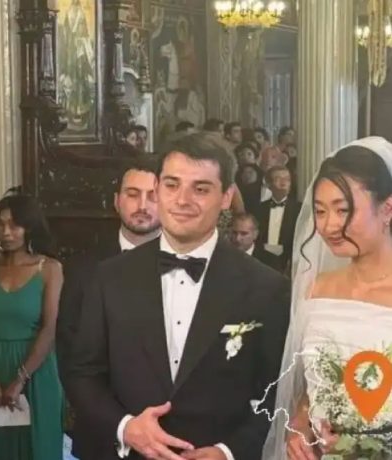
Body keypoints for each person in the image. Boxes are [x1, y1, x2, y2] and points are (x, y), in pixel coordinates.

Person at [63, 132, 290, 460]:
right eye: (172, 185)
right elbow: (83, 374)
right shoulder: (108, 277)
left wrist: (229, 451)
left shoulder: (267, 287)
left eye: (201, 189)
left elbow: (278, 390)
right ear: (158, 189)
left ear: (226, 197)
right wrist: (125, 427)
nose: (183, 200)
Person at [261, 137, 392, 459]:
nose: (329, 225)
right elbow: (312, 381)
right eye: (320, 211)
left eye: (343, 210)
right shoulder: (317, 288)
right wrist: (301, 422)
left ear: (387, 209)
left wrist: (364, 447)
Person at [58, 156, 161, 459]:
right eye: (132, 194)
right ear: (116, 201)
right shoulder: (84, 269)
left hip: (175, 433)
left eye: (153, 195)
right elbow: (70, 354)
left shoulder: (192, 266)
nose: (142, 205)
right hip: (103, 435)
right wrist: (121, 424)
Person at [0, 194, 64, 460]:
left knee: (39, 449)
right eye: (0, 224)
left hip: (36, 370)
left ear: (29, 227)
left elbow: (49, 329)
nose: (6, 231)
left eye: (14, 224)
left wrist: (20, 379)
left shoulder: (49, 269)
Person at [256, 166, 300, 273]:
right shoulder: (259, 209)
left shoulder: (299, 209)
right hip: (262, 262)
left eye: (287, 179)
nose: (283, 182)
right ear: (269, 184)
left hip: (289, 263)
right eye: (278, 178)